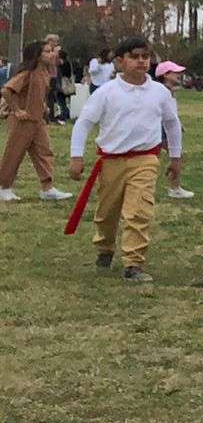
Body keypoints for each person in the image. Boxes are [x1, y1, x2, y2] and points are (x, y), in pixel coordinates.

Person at [65, 35, 184, 282]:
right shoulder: (106, 93)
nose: (141, 62)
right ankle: (105, 247)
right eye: (134, 57)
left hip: (145, 159)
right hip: (111, 161)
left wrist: (175, 157)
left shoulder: (160, 92)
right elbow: (84, 123)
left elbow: (172, 125)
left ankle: (133, 263)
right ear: (120, 61)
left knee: (139, 211)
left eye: (145, 57)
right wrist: (76, 156)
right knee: (107, 213)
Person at [0, 37, 72, 202]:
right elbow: (6, 90)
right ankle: (4, 186)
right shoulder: (27, 73)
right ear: (37, 55)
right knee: (14, 153)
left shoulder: (44, 72)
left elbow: (38, 93)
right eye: (46, 51)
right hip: (23, 121)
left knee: (44, 152)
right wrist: (17, 110)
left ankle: (47, 188)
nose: (51, 54)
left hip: (38, 120)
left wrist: (44, 106)